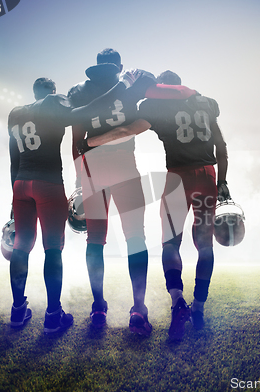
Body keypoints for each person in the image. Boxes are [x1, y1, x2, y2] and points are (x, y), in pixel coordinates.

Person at [79, 70, 231, 340]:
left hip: (177, 178)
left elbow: (126, 130)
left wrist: (92, 141)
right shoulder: (206, 103)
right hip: (207, 175)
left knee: (170, 244)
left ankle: (177, 301)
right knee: (204, 245)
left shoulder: (157, 107)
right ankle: (198, 307)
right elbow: (221, 146)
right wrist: (222, 181)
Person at [68, 49, 196, 335]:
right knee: (135, 238)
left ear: (96, 67)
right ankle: (138, 309)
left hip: (93, 173)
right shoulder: (132, 85)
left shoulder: (79, 91)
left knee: (95, 241)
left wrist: (78, 181)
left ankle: (99, 307)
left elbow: (77, 141)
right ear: (120, 67)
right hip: (125, 168)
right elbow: (163, 97)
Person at [8, 77, 74, 334]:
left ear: (34, 92)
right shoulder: (53, 106)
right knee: (53, 249)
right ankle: (53, 315)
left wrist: (14, 194)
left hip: (21, 184)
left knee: (20, 246)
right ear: (53, 94)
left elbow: (14, 157)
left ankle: (17, 310)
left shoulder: (15, 113)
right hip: (48, 184)